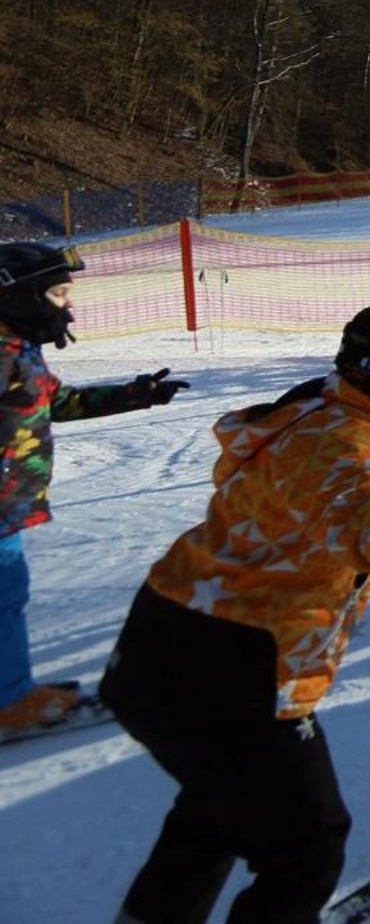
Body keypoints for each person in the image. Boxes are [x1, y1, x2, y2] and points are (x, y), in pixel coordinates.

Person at [103, 297, 370, 923]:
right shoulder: (344, 440)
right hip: (235, 670)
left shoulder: (318, 413)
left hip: (169, 645)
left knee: (217, 812)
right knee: (307, 848)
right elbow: (361, 506)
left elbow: (325, 527)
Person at [0, 244, 187, 738]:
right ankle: (9, 701)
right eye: (58, 293)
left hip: (9, 502)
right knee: (4, 592)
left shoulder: (18, 349)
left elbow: (58, 402)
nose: (67, 305)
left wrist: (135, 395)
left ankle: (9, 687)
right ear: (19, 296)